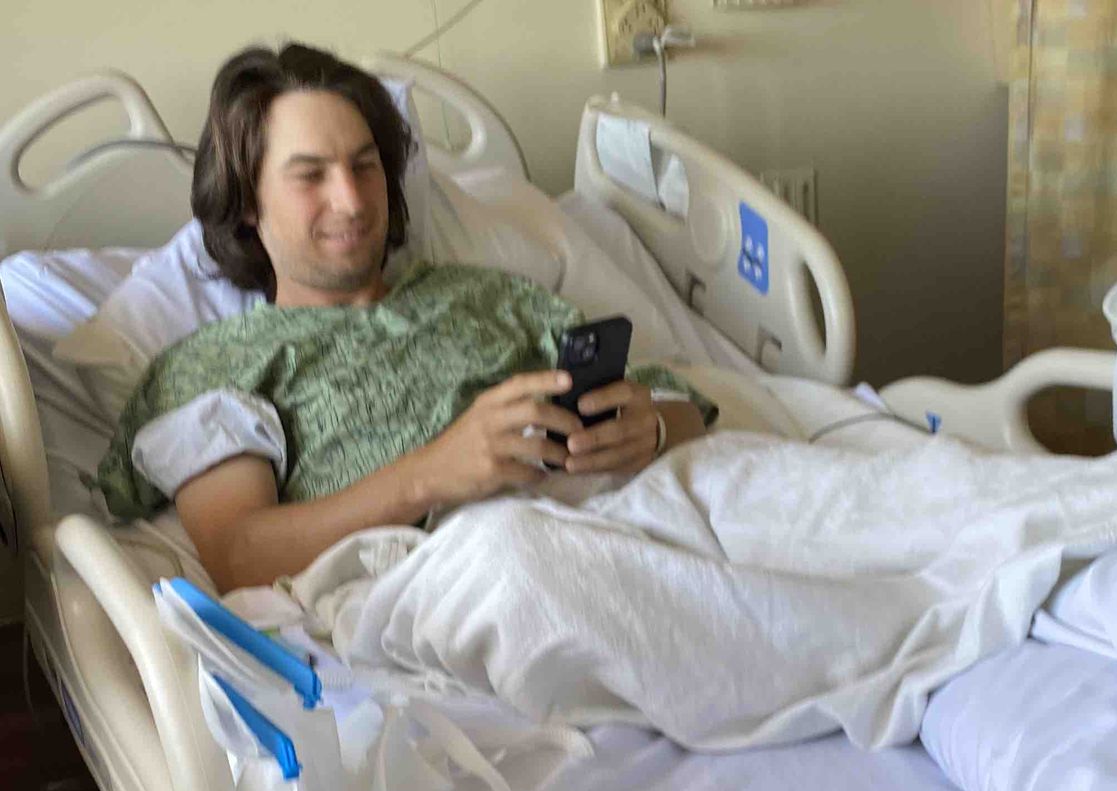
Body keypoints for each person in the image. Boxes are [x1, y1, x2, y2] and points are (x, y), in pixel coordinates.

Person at [96, 43, 713, 592]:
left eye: (365, 166)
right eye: (311, 175)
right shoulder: (215, 365)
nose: (352, 200)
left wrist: (654, 427)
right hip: (483, 567)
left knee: (774, 493)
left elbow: (677, 404)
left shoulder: (492, 295)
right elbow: (241, 555)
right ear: (248, 202)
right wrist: (434, 472)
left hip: (638, 515)